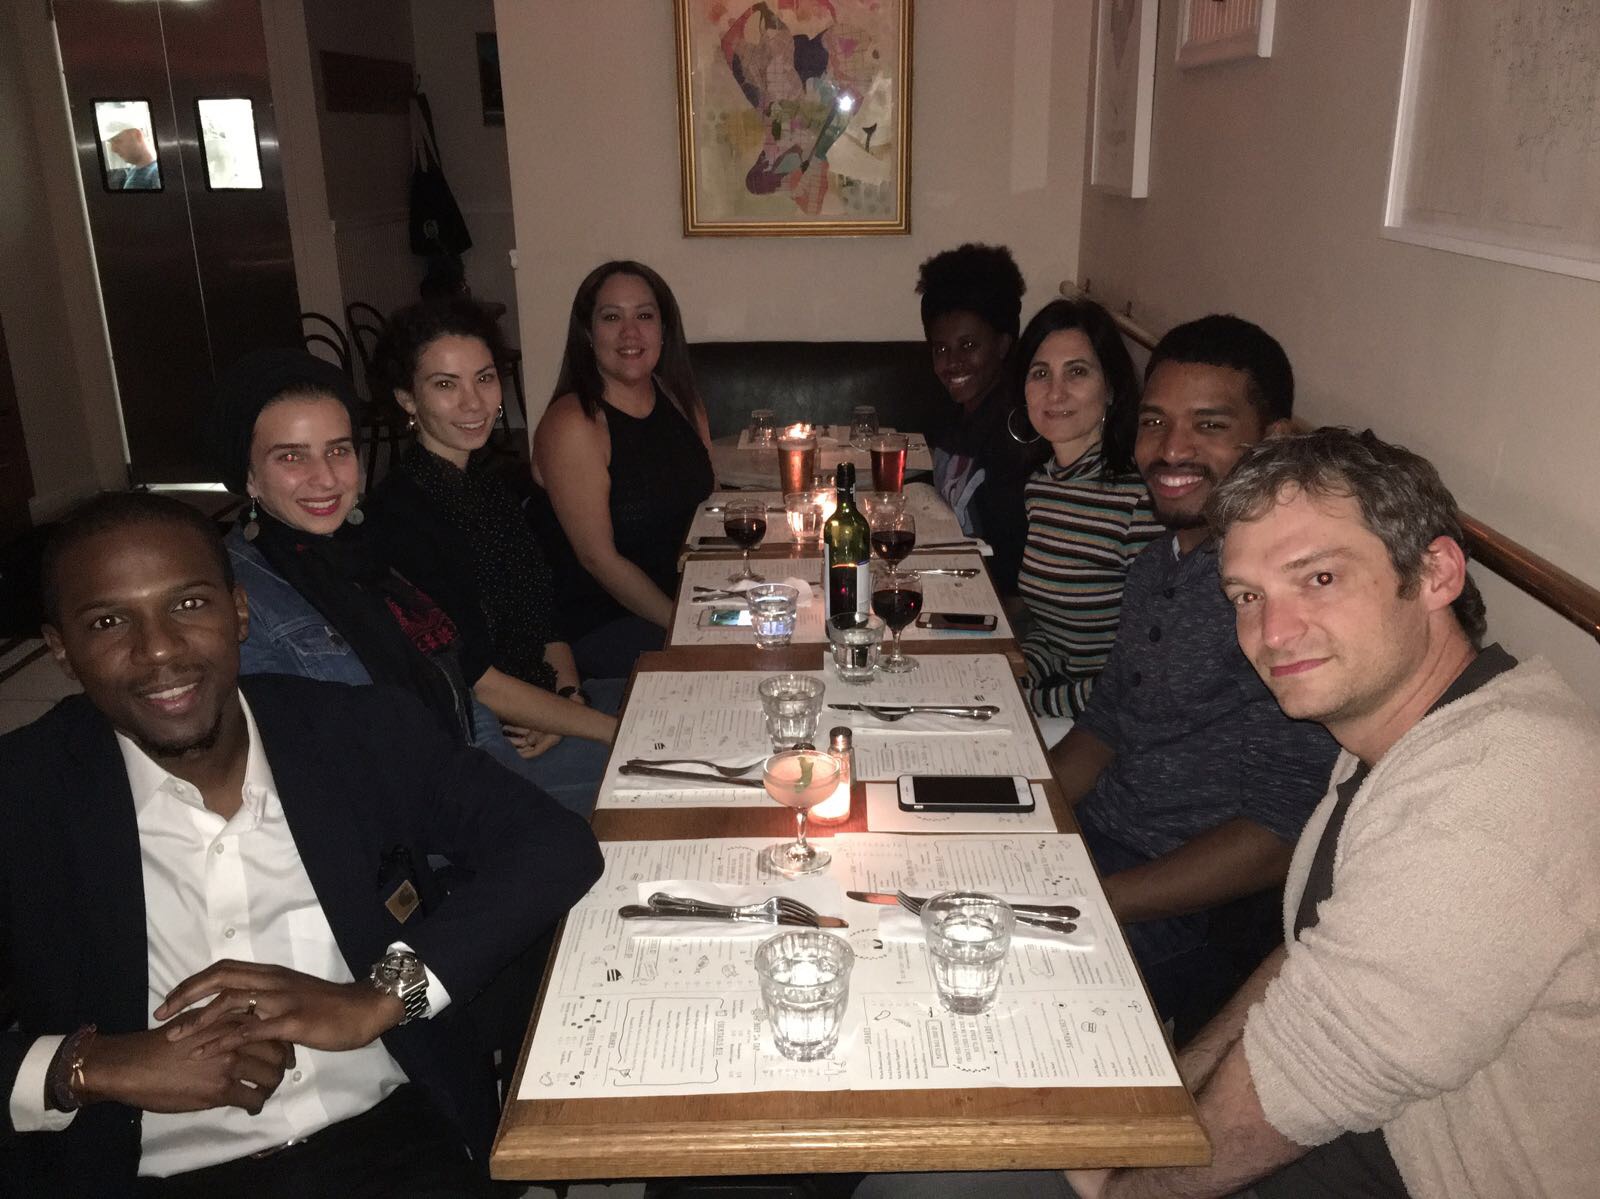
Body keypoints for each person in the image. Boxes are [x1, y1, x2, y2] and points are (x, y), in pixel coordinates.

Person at [0, 492, 604, 1196]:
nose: (158, 648)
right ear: (60, 650)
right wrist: (89, 1065)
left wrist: (381, 999)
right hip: (151, 1170)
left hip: (394, 1139)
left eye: (189, 604)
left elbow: (553, 842)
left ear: (240, 612)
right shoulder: (24, 793)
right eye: (109, 621)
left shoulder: (356, 731)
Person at [1067, 428, 1600, 1199]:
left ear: (1436, 572)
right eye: (1247, 597)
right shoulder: (1401, 735)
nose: (1271, 633)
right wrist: (1161, 1092)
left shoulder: (1493, 791)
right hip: (1354, 1135)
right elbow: (1312, 968)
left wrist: (1115, 1180)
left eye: (1318, 577)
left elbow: (1296, 1086)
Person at [1046, 314, 1339, 1029]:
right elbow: (1108, 718)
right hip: (1100, 845)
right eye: (1154, 421)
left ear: (1272, 441)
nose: (1171, 448)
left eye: (1209, 425)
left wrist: (1100, 897)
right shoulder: (1160, 563)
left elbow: (1281, 830)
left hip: (1187, 911)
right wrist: (1023, 815)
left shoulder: (1286, 604)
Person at [210, 347, 615, 815]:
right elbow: (320, 779)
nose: (324, 478)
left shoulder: (364, 549)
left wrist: (506, 787)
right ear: (250, 477)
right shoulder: (241, 601)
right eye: (291, 457)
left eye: (338, 451)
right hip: (414, 827)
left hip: (475, 775)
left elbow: (460, 690)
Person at [364, 298, 624, 790]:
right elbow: (476, 678)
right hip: (488, 743)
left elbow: (543, 612)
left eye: (484, 378)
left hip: (551, 707)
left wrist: (569, 698)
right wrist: (612, 730)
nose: (474, 403)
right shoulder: (401, 515)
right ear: (406, 400)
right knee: (670, 757)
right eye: (446, 384)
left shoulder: (489, 482)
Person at [531, 260, 714, 679]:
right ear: (588, 333)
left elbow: (708, 506)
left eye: (644, 316)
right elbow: (598, 560)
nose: (630, 333)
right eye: (611, 317)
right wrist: (683, 624)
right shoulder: (574, 423)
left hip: (676, 596)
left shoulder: (679, 397)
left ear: (664, 330)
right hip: (599, 619)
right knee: (730, 666)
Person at [1012, 299, 1164, 719]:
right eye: (1040, 373)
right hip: (1066, 699)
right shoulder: (1043, 485)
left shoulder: (1139, 504)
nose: (1055, 392)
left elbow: (1147, 671)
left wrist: (1035, 702)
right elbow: (1055, 633)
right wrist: (1017, 674)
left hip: (1112, 723)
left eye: (1077, 372)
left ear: (1111, 388)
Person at [915, 242, 1033, 593]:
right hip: (954, 578)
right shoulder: (956, 415)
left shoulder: (1016, 435)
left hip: (994, 602)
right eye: (940, 349)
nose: (951, 363)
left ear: (1002, 344)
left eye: (968, 346)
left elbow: (1013, 570)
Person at [104, 123, 161, 190]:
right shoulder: (133, 170)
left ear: (138, 135)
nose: (113, 149)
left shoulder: (156, 174)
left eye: (117, 140)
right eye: (110, 142)